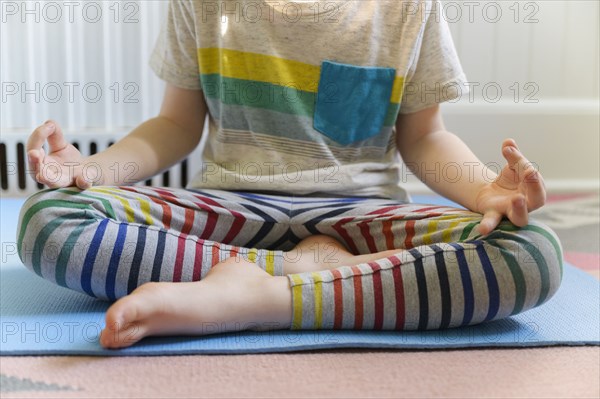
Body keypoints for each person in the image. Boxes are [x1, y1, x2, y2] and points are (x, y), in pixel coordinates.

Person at [17, 0, 563, 349]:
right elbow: (174, 126)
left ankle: (256, 295)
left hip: (362, 216)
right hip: (229, 210)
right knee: (50, 219)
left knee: (531, 252)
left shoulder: (408, 7)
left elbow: (423, 136)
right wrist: (90, 170)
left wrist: (482, 188)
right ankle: (314, 276)